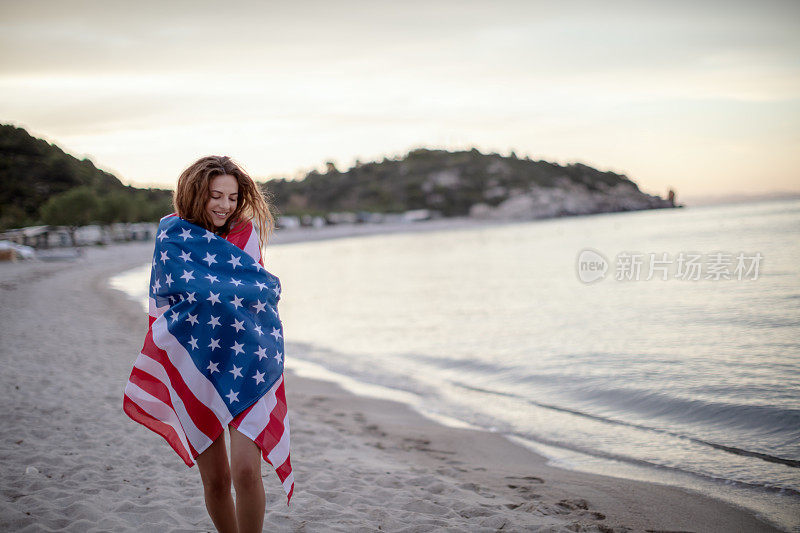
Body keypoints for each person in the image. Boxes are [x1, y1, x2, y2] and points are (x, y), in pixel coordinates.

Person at [123, 155, 293, 533]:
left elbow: (259, 294)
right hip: (196, 361)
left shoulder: (244, 234)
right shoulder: (172, 234)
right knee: (216, 480)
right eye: (216, 195)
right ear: (196, 192)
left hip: (247, 358)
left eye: (232, 197)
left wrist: (215, 294)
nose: (224, 206)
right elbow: (164, 300)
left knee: (247, 471)